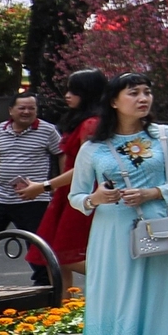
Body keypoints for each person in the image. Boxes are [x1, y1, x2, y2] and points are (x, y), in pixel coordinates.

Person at [68, 72, 168, 335]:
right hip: (108, 234)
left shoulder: (164, 137)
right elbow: (76, 197)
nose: (143, 98)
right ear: (113, 101)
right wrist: (94, 198)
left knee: (150, 308)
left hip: (152, 231)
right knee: (107, 308)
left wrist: (153, 192)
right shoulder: (92, 148)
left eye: (147, 92)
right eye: (133, 92)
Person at [32, 70, 108, 282]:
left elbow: (85, 168)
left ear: (88, 93)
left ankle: (115, 279)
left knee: (63, 255)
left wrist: (44, 185)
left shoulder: (91, 123)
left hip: (83, 191)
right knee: (53, 255)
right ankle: (62, 307)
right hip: (68, 191)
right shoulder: (80, 119)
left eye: (74, 90)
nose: (67, 95)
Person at [0, 92, 64, 283]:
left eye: (32, 108)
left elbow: (62, 154)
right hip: (0, 198)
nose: (27, 112)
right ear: (11, 110)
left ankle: (44, 288)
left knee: (38, 246)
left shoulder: (48, 130)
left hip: (33, 199)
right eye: (22, 108)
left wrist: (58, 185)